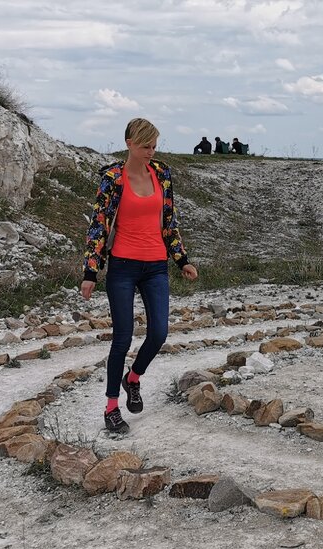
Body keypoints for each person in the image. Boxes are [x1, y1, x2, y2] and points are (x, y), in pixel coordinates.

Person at [81, 117, 199, 433]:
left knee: (159, 333)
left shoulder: (161, 173)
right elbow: (99, 225)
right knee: (122, 338)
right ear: (130, 143)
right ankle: (111, 408)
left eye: (154, 146)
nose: (151, 152)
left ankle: (133, 378)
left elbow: (169, 221)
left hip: (156, 266)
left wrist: (181, 259)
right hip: (122, 266)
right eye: (146, 146)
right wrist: (90, 272)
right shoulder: (112, 177)